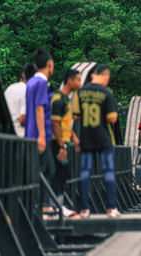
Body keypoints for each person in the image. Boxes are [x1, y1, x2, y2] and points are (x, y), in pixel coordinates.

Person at [73, 64, 120, 218]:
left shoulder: (80, 92)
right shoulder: (107, 93)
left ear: (93, 75)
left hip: (86, 138)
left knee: (85, 172)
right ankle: (111, 208)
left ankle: (84, 209)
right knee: (108, 172)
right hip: (104, 138)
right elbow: (112, 118)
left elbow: (75, 116)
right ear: (105, 77)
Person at [25, 50, 56, 210]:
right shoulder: (42, 83)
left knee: (46, 168)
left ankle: (41, 205)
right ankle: (40, 206)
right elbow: (39, 108)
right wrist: (42, 136)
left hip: (31, 133)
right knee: (45, 170)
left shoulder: (30, 82)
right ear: (49, 64)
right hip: (40, 135)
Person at [50, 69, 82, 217]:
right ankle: (55, 206)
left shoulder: (65, 99)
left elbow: (64, 123)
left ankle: (57, 205)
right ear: (70, 81)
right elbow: (55, 124)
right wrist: (62, 146)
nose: (80, 84)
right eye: (78, 80)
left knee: (63, 173)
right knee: (58, 173)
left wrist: (74, 137)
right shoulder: (58, 99)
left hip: (63, 141)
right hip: (57, 143)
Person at [4, 63, 36, 137]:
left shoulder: (10, 88)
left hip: (4, 135)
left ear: (23, 75)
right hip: (19, 137)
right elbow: (22, 120)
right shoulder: (28, 91)